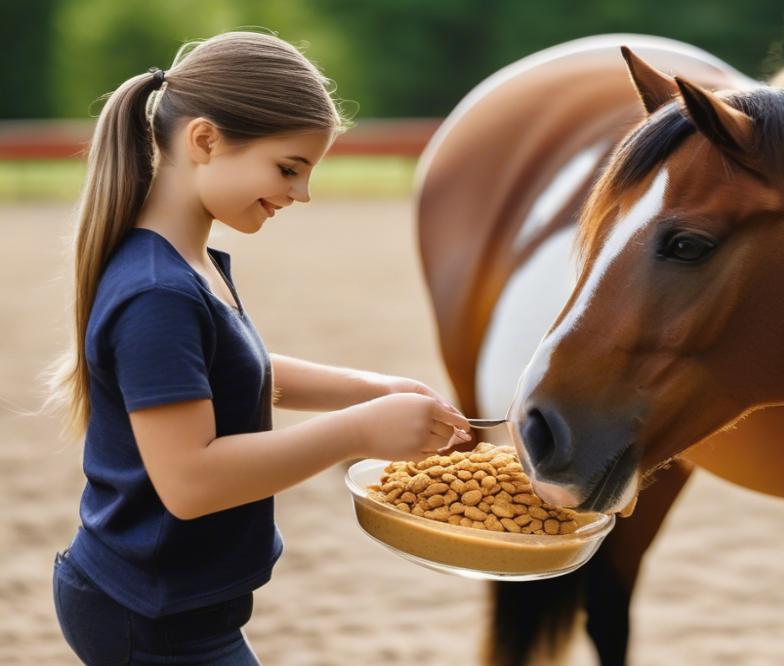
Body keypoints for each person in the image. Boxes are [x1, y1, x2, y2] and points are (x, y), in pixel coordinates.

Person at [46, 31, 472, 665]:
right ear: (205, 140)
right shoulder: (158, 292)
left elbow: (241, 371)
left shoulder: (189, 264)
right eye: (289, 168)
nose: (301, 194)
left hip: (180, 607)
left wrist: (374, 389)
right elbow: (190, 482)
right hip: (148, 616)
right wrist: (357, 431)